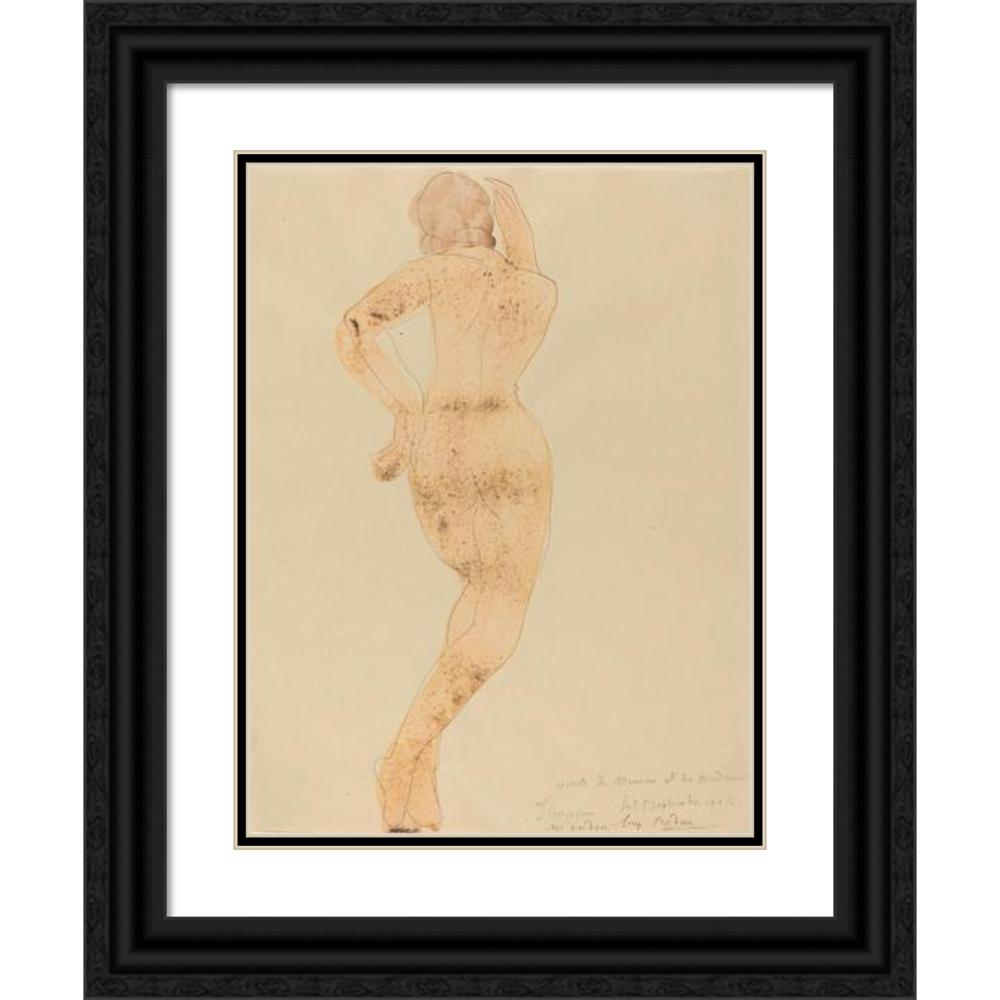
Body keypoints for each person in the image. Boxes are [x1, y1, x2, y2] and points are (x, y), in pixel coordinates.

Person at [334, 172, 557, 831]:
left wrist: (407, 412)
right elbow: (522, 277)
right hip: (508, 446)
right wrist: (522, 239)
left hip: (445, 448)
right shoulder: (535, 288)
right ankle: (402, 757)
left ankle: (418, 776)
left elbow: (352, 330)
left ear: (432, 227)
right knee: (496, 618)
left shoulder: (436, 274)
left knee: (476, 608)